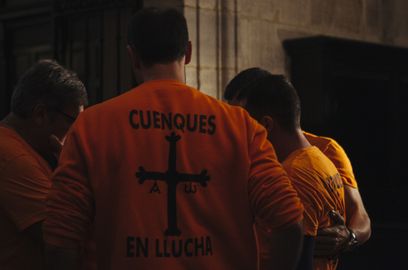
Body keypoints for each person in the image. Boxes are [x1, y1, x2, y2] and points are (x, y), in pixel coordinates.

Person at [44, 8, 304, 270]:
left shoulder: (91, 126)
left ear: (133, 56)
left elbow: (59, 241)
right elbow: (290, 222)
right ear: (188, 52)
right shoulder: (241, 127)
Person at [224, 67, 371, 257]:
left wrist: (349, 236)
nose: (238, 127)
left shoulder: (324, 151)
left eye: (244, 117)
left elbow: (360, 214)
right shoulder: (246, 152)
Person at [240, 74, 346, 270]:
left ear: (266, 125)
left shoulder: (293, 174)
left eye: (250, 128)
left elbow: (298, 258)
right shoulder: (321, 160)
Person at [0, 59, 87, 269]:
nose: (78, 133)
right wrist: (74, 166)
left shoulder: (22, 148)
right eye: (73, 122)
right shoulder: (13, 158)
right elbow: (62, 237)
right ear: (41, 114)